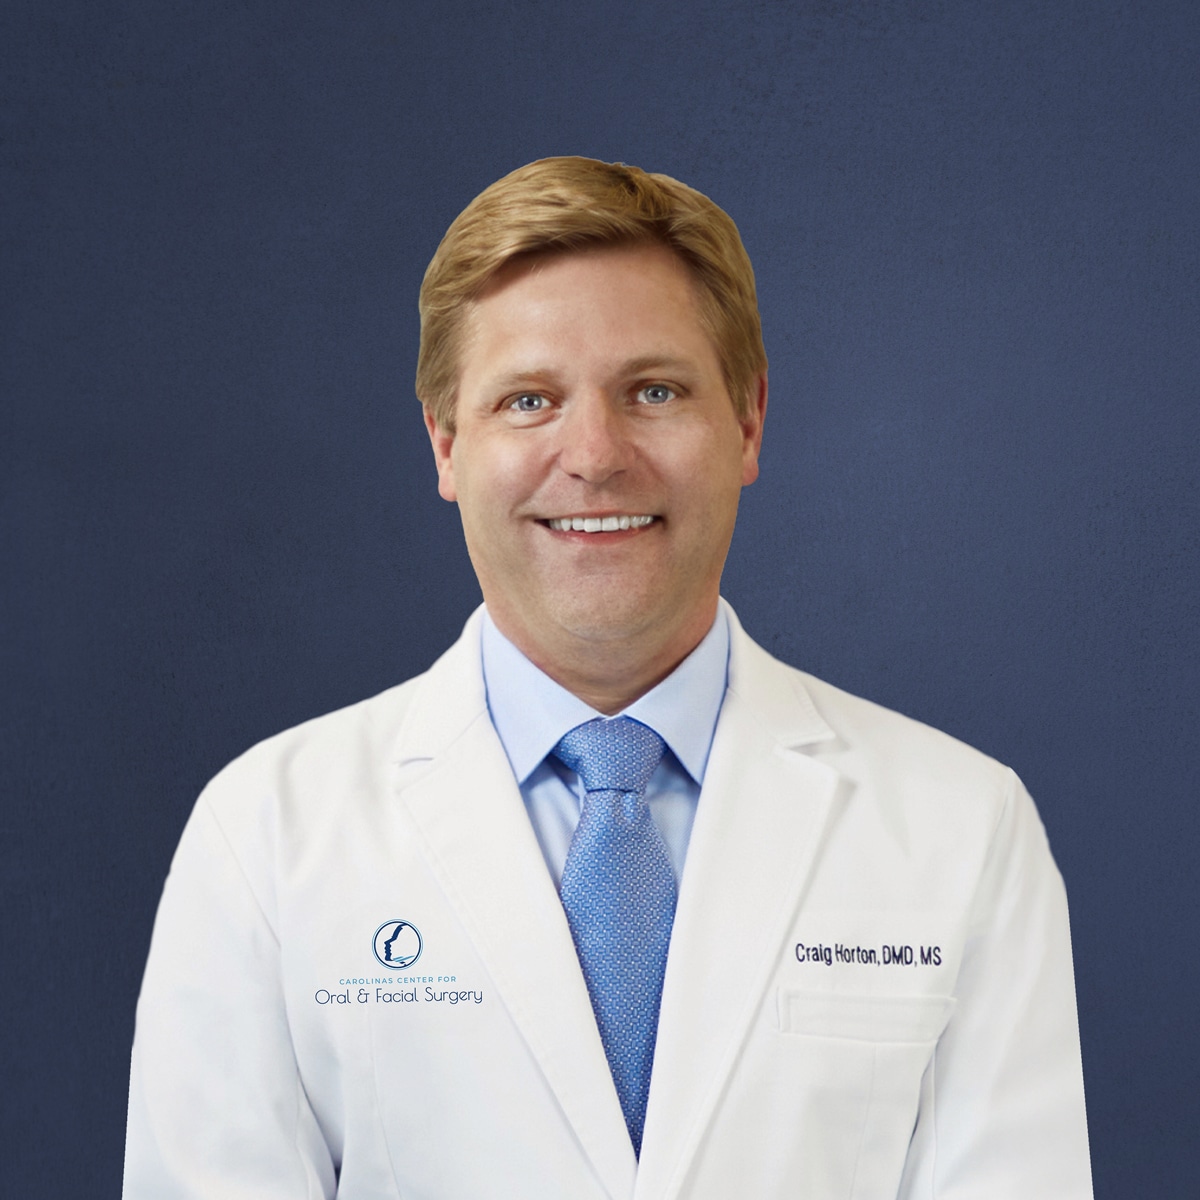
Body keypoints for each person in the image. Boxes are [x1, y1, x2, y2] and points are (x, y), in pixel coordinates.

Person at [123, 157, 1093, 1198]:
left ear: (750, 423)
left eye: (656, 390)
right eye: (529, 400)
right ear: (447, 445)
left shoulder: (961, 825)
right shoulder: (265, 835)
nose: (593, 454)